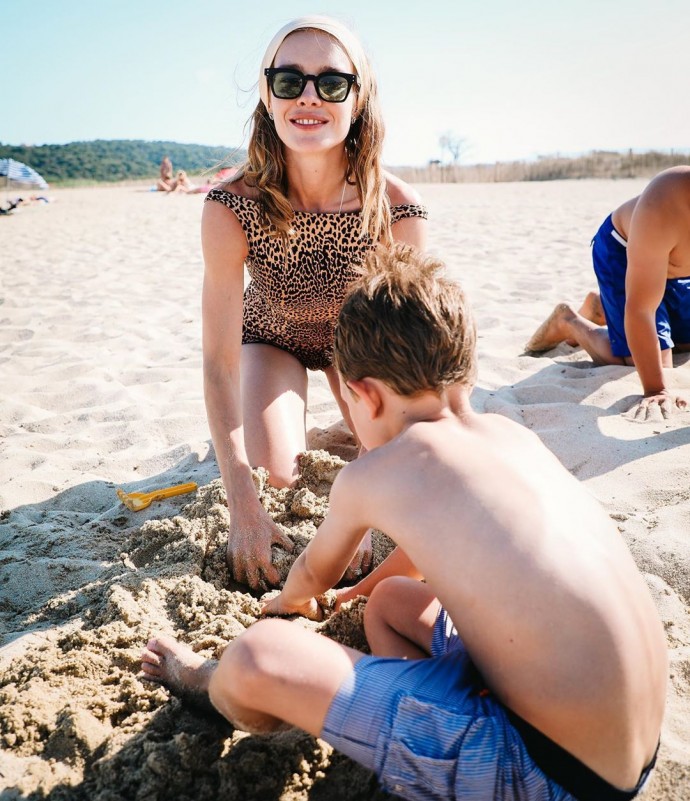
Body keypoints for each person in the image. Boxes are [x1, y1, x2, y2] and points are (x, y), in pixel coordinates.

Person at [142, 244, 667, 801]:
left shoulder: (380, 472)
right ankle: (419, 724)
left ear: (363, 394)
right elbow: (415, 558)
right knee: (390, 600)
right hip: (630, 750)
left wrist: (288, 603)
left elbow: (312, 576)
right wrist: (358, 597)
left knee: (259, 655)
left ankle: (203, 682)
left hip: (543, 773)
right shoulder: (513, 438)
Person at [200, 15, 427, 589]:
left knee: (395, 460)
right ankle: (291, 433)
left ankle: (340, 424)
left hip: (356, 352)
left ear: (359, 95)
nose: (308, 97)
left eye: (331, 83)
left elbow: (409, 358)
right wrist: (241, 503)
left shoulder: (396, 209)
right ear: (266, 94)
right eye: (289, 81)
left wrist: (373, 505)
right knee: (277, 477)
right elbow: (219, 363)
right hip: (272, 337)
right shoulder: (232, 206)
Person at [525, 166, 690, 420]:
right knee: (654, 361)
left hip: (675, 271)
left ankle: (602, 308)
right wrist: (657, 390)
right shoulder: (666, 200)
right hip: (622, 251)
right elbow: (641, 310)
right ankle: (570, 322)